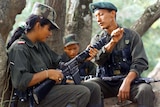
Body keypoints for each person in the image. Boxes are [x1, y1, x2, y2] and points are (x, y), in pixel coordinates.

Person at [7, 2, 102, 107]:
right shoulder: (19, 48)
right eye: (49, 29)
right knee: (81, 92)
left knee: (94, 88)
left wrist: (83, 58)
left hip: (47, 91)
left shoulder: (41, 46)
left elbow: (59, 63)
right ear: (38, 25)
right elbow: (20, 82)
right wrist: (47, 74)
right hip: (30, 99)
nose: (50, 33)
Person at [88, 2, 154, 107]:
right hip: (105, 82)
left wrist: (127, 82)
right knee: (89, 86)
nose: (98, 20)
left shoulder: (132, 36)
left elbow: (140, 62)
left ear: (113, 14)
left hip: (130, 82)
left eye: (101, 14)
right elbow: (98, 61)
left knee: (145, 90)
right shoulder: (97, 39)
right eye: (96, 16)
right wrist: (112, 42)